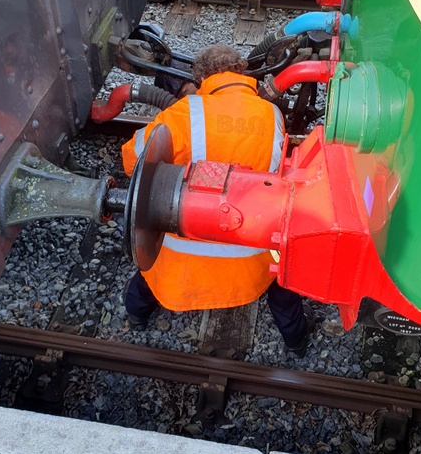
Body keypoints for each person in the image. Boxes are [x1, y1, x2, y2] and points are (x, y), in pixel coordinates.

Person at [121, 44, 315, 356]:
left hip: (182, 262)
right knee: (283, 279)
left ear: (202, 80)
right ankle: (296, 341)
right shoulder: (273, 115)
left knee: (149, 270)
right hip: (251, 260)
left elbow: (134, 161)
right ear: (240, 74)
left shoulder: (185, 112)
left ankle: (137, 315)